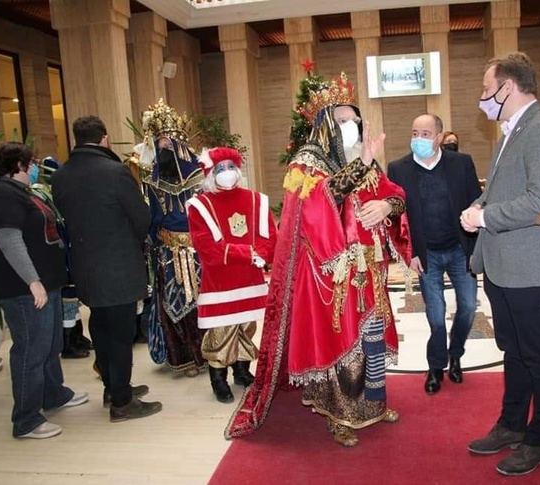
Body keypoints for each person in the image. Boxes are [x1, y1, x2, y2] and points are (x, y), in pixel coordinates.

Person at [227, 73, 411, 447]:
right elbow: (318, 206)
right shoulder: (306, 163)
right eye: (344, 120)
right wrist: (361, 165)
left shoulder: (365, 159)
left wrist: (385, 204)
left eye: (354, 120)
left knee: (372, 337)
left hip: (370, 269)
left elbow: (396, 194)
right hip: (331, 274)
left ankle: (373, 405)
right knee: (340, 343)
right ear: (326, 123)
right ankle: (340, 414)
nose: (352, 127)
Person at [460, 52, 540, 476]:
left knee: (539, 356)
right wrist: (476, 207)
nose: (484, 99)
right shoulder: (513, 131)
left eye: (488, 90)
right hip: (505, 266)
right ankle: (511, 424)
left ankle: (537, 440)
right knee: (514, 352)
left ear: (508, 87)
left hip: (532, 268)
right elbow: (498, 193)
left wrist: (485, 217)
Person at [51, 116, 162, 422]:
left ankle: (113, 387)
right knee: (122, 331)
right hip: (118, 265)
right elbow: (141, 218)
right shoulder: (115, 172)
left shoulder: (61, 175)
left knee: (99, 326)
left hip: (85, 265)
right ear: (105, 138)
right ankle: (123, 403)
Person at [0, 142, 88, 439]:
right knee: (31, 350)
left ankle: (53, 393)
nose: (33, 168)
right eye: (30, 163)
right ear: (17, 165)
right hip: (24, 290)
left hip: (46, 283)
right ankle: (26, 419)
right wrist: (33, 281)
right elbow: (10, 242)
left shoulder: (22, 193)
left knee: (51, 343)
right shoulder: (1, 196)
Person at [388, 114, 481, 395]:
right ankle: (436, 366)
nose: (419, 139)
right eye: (415, 132)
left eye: (426, 134)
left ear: (440, 137)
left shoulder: (461, 164)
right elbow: (396, 218)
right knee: (436, 315)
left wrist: (475, 248)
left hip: (459, 249)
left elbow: (476, 202)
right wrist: (409, 252)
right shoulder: (398, 169)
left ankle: (456, 355)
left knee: (467, 307)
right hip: (426, 254)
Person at [186, 147, 277, 403]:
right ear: (210, 174)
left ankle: (241, 369)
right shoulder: (199, 205)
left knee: (246, 327)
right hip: (220, 281)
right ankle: (218, 377)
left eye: (230, 167)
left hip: (250, 279)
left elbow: (269, 236)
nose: (226, 173)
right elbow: (207, 248)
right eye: (219, 169)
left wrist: (262, 253)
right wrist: (248, 253)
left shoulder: (257, 199)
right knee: (221, 331)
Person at [136, 99, 206, 377]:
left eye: (169, 142)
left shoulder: (202, 174)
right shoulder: (152, 179)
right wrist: (154, 243)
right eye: (160, 143)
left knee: (202, 302)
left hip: (200, 249)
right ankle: (182, 356)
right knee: (173, 305)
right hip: (167, 250)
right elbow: (152, 217)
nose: (164, 148)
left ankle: (209, 356)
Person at [34, 156, 93, 359]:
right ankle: (68, 342)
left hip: (69, 251)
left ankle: (76, 336)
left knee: (73, 299)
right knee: (67, 299)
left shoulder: (55, 195)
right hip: (61, 255)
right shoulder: (40, 195)